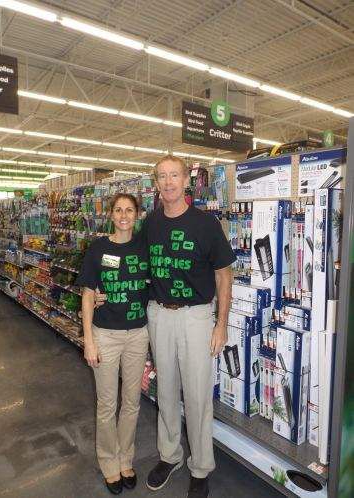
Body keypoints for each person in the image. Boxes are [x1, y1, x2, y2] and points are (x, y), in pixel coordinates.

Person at [96, 155, 236, 498]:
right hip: (158, 315)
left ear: (187, 180)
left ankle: (201, 466)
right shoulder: (152, 224)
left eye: (174, 175)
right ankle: (170, 455)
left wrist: (222, 324)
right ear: (156, 184)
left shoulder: (205, 224)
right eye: (162, 177)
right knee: (167, 391)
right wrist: (102, 289)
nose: (168, 182)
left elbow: (224, 275)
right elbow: (130, 260)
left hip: (196, 317)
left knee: (198, 394)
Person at [77, 193, 149, 495]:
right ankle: (109, 463)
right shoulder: (98, 248)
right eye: (118, 210)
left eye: (129, 210)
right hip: (105, 334)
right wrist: (89, 342)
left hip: (138, 334)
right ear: (111, 215)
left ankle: (125, 458)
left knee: (131, 403)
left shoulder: (144, 248)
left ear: (137, 214)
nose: (123, 215)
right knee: (107, 404)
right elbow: (87, 294)